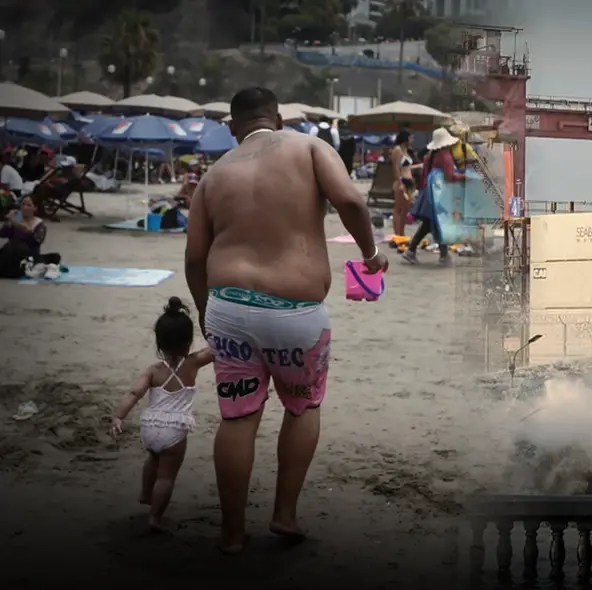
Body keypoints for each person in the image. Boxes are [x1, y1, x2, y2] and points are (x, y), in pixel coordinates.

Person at [184, 86, 389, 554]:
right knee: (303, 407)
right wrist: (371, 255)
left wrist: (204, 311)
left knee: (237, 419)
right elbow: (352, 203)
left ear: (232, 126)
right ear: (276, 119)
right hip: (297, 313)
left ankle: (232, 534)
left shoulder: (213, 176)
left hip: (228, 309)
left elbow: (195, 259)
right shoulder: (311, 147)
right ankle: (284, 514)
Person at [109, 297, 214, 533]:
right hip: (174, 431)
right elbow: (215, 350)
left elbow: (134, 393)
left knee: (153, 460)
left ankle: (146, 494)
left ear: (159, 341)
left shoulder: (153, 371)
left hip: (150, 427)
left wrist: (118, 417)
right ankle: (155, 517)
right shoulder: (192, 364)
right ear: (188, 342)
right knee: (166, 477)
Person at [401, 127, 465, 266]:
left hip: (429, 193)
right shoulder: (446, 156)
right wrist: (465, 177)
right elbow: (450, 177)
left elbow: (425, 176)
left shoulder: (430, 155)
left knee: (430, 224)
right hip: (439, 194)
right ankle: (441, 255)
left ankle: (417, 252)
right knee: (438, 224)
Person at [0, 196, 61, 279]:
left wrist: (16, 224)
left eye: (29, 205)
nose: (25, 207)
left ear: (35, 208)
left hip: (29, 255)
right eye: (23, 205)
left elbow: (35, 239)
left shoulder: (39, 223)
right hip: (11, 252)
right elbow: (3, 233)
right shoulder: (18, 218)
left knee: (19, 248)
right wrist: (9, 222)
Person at [390, 130, 416, 237]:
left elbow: (407, 167)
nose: (412, 140)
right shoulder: (397, 150)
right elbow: (396, 168)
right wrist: (400, 182)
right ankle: (398, 233)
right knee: (399, 209)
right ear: (406, 138)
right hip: (402, 181)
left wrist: (418, 166)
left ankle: (402, 232)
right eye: (411, 138)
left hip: (409, 181)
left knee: (405, 210)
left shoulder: (406, 150)